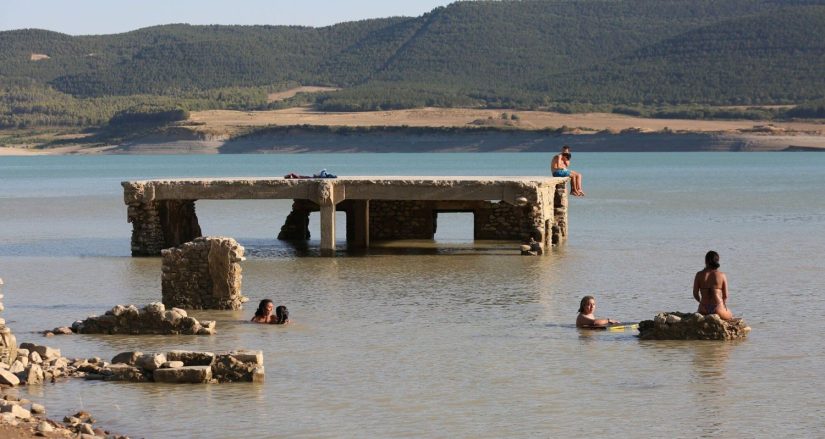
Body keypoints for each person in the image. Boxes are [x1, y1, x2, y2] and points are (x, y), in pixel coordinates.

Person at [693, 251, 734, 320]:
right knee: (730, 314)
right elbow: (725, 296)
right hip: (717, 308)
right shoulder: (722, 275)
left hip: (703, 308)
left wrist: (701, 302)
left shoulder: (699, 274)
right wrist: (723, 305)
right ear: (717, 261)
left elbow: (695, 294)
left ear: (706, 261)